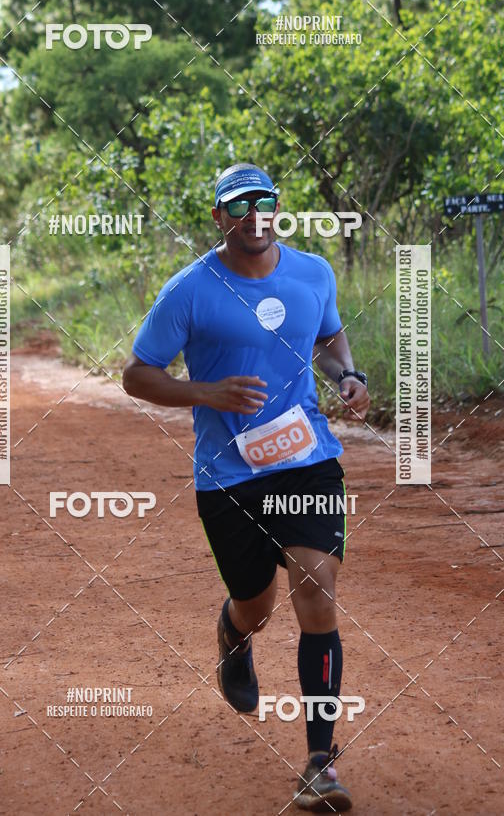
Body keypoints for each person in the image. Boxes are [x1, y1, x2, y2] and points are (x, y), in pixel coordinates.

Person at [122, 163, 370, 811]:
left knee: (315, 586)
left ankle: (321, 763)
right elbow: (137, 375)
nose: (254, 214)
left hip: (307, 459)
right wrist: (207, 393)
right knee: (256, 605)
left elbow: (327, 333)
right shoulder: (189, 292)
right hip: (228, 477)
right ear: (220, 217)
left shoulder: (313, 272)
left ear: (277, 208)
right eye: (239, 205)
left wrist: (348, 373)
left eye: (265, 202)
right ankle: (234, 637)